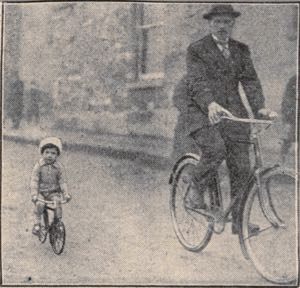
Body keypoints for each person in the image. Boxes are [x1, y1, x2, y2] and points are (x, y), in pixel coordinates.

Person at [185, 4, 277, 234]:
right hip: (201, 112)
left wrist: (260, 109)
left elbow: (250, 82)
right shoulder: (197, 49)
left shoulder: (240, 50)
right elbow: (196, 82)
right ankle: (195, 184)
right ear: (210, 24)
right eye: (218, 22)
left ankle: (239, 221)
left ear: (233, 24)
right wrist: (210, 103)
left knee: (242, 168)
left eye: (227, 22)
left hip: (233, 113)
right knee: (216, 150)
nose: (222, 26)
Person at [30, 137, 71, 235]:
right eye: (47, 152)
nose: (49, 155)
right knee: (39, 204)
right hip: (41, 192)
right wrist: (34, 194)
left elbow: (62, 181)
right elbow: (34, 181)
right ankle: (37, 223)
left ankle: (57, 223)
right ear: (42, 153)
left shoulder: (59, 167)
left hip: (53, 192)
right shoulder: (39, 166)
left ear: (57, 155)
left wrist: (66, 194)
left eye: (53, 153)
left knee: (57, 204)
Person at [172, 75, 198, 160]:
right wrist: (191, 111)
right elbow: (177, 98)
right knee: (186, 153)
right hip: (187, 123)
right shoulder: (188, 78)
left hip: (204, 124)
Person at [280, 75, 296, 163]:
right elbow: (286, 100)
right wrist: (287, 119)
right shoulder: (294, 79)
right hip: (293, 117)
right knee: (287, 139)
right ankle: (282, 161)